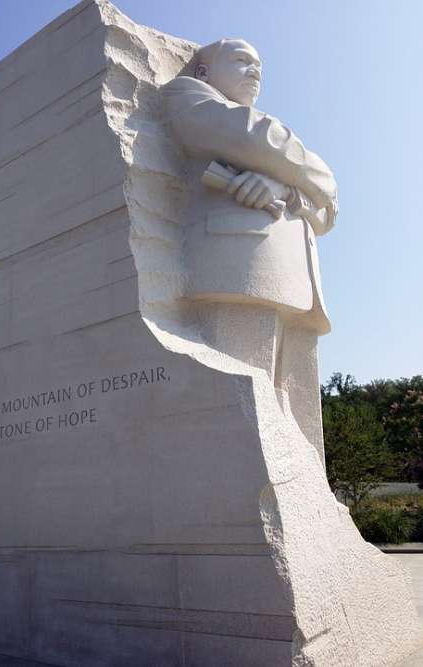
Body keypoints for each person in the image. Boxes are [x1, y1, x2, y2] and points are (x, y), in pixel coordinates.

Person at [162, 39, 339, 459]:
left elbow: (329, 211)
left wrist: (285, 187)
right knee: (238, 425)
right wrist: (318, 175)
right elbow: (255, 139)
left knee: (298, 435)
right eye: (241, 60)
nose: (255, 71)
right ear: (204, 72)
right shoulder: (186, 94)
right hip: (239, 269)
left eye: (259, 65)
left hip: (297, 283)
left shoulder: (269, 135)